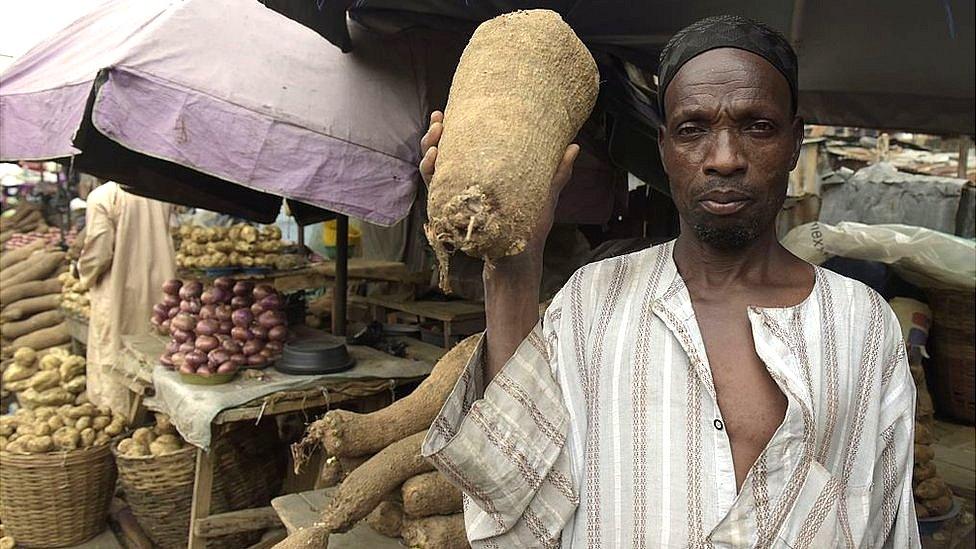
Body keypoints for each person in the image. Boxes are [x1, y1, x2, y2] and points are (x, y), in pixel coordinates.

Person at [418, 15, 919, 548]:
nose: (724, 158)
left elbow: (889, 522)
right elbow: (510, 491)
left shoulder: (861, 322)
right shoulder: (593, 301)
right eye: (692, 129)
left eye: (757, 126)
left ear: (795, 142)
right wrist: (512, 267)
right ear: (663, 148)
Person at [77, 181, 176, 415]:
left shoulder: (102, 197)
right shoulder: (160, 193)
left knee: (116, 355)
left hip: (118, 293)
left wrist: (81, 271)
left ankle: (119, 418)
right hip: (160, 290)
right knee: (156, 353)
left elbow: (98, 254)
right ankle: (157, 418)